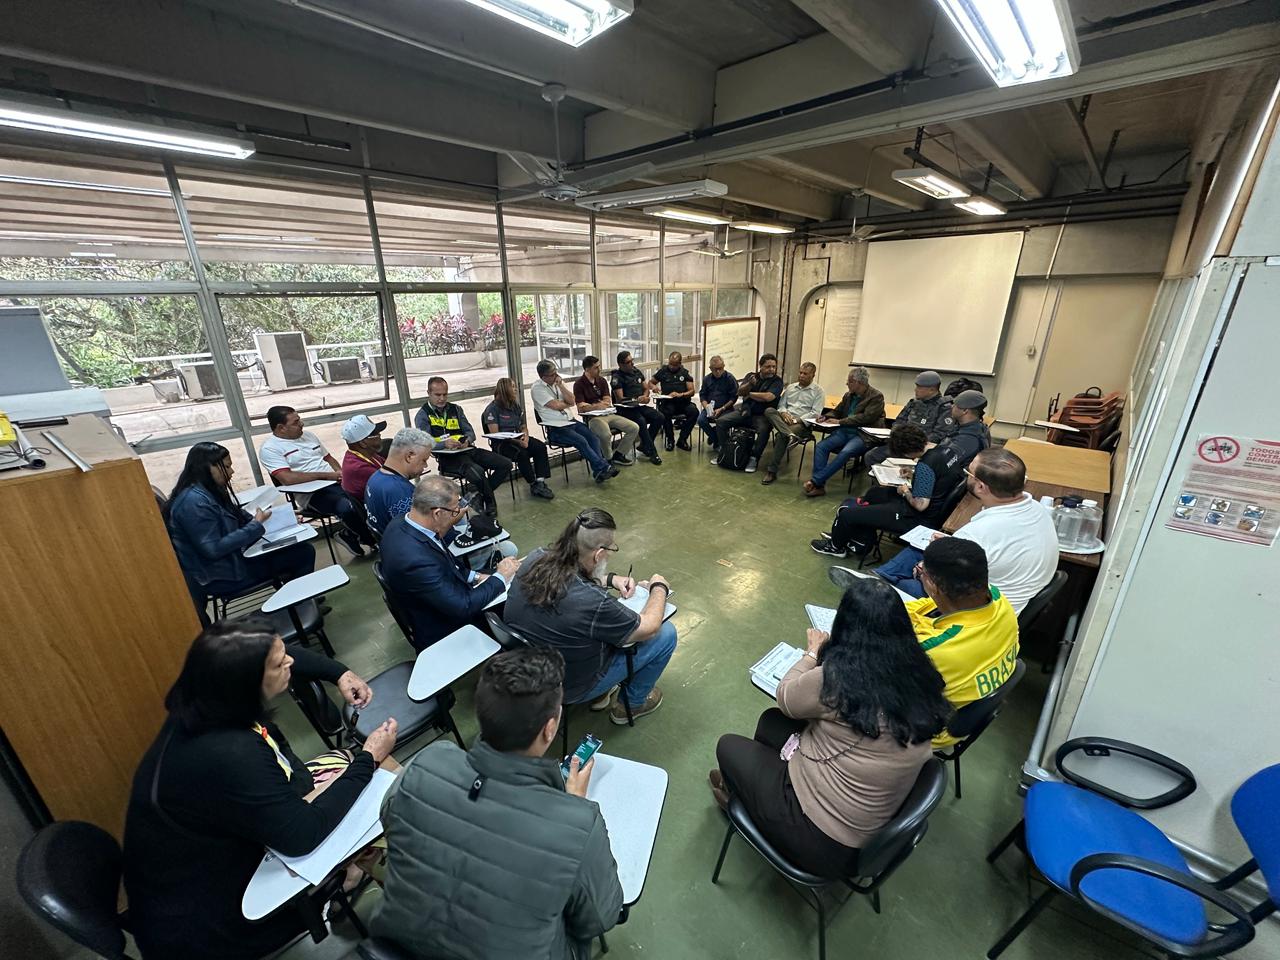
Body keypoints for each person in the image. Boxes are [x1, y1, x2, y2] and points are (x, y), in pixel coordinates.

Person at [123, 618, 398, 960]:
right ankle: (363, 884)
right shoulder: (230, 753)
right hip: (217, 914)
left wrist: (338, 673)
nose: (291, 663)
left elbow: (279, 655)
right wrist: (369, 758)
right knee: (374, 786)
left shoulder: (207, 696)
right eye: (279, 663)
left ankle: (356, 873)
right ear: (248, 681)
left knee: (351, 766)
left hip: (225, 843)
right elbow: (302, 835)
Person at [372, 647, 623, 958]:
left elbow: (391, 820)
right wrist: (571, 806)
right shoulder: (578, 825)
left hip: (402, 945)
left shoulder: (427, 761)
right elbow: (601, 917)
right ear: (549, 728)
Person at [711, 579, 951, 875]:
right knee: (771, 723)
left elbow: (787, 696)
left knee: (728, 745)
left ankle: (749, 802)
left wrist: (812, 653)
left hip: (820, 840)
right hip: (868, 825)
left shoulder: (840, 679)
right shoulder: (919, 671)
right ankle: (753, 792)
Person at [504, 508, 676, 725]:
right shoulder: (593, 602)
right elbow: (649, 626)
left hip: (528, 670)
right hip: (570, 686)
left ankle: (602, 694)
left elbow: (565, 580)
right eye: (611, 549)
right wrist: (658, 587)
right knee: (666, 634)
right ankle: (629, 705)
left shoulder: (536, 557)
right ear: (598, 554)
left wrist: (609, 579)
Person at [873, 448, 1059, 612]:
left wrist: (923, 571)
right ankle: (880, 577)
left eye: (968, 472)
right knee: (916, 548)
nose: (966, 475)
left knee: (893, 588)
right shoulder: (1038, 509)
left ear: (980, 486)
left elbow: (944, 585)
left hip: (977, 610)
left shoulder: (977, 533)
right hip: (1007, 592)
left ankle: (877, 586)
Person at [811, 415, 987, 559]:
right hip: (937, 504)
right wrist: (913, 473)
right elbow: (941, 475)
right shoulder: (944, 450)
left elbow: (920, 504)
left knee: (848, 514)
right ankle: (852, 534)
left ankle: (836, 547)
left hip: (918, 517)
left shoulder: (926, 466)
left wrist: (905, 492)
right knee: (874, 493)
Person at [378, 476, 522, 651]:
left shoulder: (404, 522)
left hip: (442, 596)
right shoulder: (414, 560)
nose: (457, 515)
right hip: (446, 626)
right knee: (521, 606)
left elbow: (446, 562)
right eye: (455, 511)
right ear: (437, 513)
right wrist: (501, 576)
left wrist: (477, 576)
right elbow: (464, 607)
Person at [165, 442, 315, 608]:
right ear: (209, 467)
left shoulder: (207, 490)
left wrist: (282, 516)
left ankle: (300, 600)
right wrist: (255, 525)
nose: (231, 472)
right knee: (303, 553)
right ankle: (301, 606)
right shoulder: (194, 503)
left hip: (231, 561)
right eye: (226, 467)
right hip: (223, 575)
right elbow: (213, 549)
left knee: (294, 548)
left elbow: (237, 514)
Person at [903, 537, 1020, 746]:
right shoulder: (998, 600)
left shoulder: (931, 650)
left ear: (931, 584)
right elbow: (927, 605)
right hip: (961, 711)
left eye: (921, 572)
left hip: (924, 734)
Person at [260, 405, 376, 556]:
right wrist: (326, 476)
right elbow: (287, 478)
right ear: (281, 428)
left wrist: (341, 473)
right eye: (295, 422)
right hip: (312, 494)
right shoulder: (270, 449)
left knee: (369, 495)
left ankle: (351, 534)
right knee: (347, 507)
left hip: (335, 482)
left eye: (299, 419)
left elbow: (329, 459)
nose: (301, 424)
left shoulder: (308, 435)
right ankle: (371, 540)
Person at [414, 377, 512, 518]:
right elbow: (425, 442)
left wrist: (467, 440)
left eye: (445, 394)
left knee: (506, 464)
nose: (442, 398)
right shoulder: (422, 415)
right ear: (428, 393)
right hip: (448, 457)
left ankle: (477, 496)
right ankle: (490, 502)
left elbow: (470, 432)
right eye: (437, 395)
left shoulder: (456, 409)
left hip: (467, 449)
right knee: (477, 472)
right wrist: (444, 444)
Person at [531, 359, 617, 484]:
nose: (556, 376)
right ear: (542, 376)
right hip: (555, 427)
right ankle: (603, 467)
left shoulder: (558, 382)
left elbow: (572, 401)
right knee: (581, 440)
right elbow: (556, 406)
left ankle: (599, 471)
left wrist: (560, 386)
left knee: (593, 437)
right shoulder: (537, 389)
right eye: (552, 374)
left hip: (570, 421)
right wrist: (565, 403)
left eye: (556, 372)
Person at [803, 367, 886, 497]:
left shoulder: (876, 396)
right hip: (844, 432)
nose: (847, 383)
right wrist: (826, 416)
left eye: (850, 381)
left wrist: (841, 422)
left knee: (846, 452)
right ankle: (819, 486)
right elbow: (838, 410)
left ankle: (816, 481)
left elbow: (866, 418)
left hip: (862, 434)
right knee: (821, 446)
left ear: (859, 383)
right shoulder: (848, 395)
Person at [481, 377, 556, 500]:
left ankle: (540, 482)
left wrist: (525, 437)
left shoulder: (514, 405)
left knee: (540, 447)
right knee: (522, 453)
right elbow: (496, 435)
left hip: (518, 438)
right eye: (513, 387)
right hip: (502, 444)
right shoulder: (492, 409)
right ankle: (533, 484)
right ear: (505, 390)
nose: (516, 390)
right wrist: (518, 442)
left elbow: (523, 425)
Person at [865, 370, 955, 469]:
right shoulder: (913, 403)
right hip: (901, 445)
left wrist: (914, 445)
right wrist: (897, 436)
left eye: (919, 387)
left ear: (932, 390)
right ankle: (882, 482)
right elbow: (899, 421)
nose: (915, 390)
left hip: (920, 450)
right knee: (871, 456)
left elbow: (939, 434)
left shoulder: (944, 407)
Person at [713, 353, 784, 472]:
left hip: (762, 415)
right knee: (720, 422)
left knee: (764, 430)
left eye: (774, 366)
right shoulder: (751, 376)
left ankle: (754, 458)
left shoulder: (777, 381)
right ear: (760, 366)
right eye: (768, 366)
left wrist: (749, 394)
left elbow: (768, 397)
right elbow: (739, 391)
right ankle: (726, 451)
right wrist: (750, 384)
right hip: (745, 411)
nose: (771, 369)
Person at [760, 361, 825, 485]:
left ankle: (771, 471)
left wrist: (796, 420)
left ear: (813, 375)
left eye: (805, 374)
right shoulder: (790, 387)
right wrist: (784, 413)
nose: (801, 376)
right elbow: (781, 405)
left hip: (801, 424)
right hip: (784, 420)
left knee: (781, 436)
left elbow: (815, 413)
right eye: (800, 373)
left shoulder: (818, 391)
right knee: (769, 410)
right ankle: (789, 435)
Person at [364, 427, 435, 537]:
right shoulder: (400, 491)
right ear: (409, 456)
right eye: (424, 460)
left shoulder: (375, 477)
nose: (425, 466)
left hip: (389, 544)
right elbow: (421, 533)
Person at [573, 355, 643, 466]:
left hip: (608, 413)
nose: (599, 369)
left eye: (599, 366)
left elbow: (607, 400)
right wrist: (596, 406)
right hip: (593, 418)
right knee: (606, 435)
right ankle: (608, 459)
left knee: (634, 427)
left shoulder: (601, 381)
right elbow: (581, 407)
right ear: (587, 369)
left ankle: (619, 455)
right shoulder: (579, 384)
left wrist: (595, 405)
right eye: (596, 367)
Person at [610, 350, 665, 464]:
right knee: (641, 421)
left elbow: (645, 388)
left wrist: (645, 397)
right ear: (621, 364)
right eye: (628, 362)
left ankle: (645, 445)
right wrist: (636, 399)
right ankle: (652, 452)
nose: (632, 364)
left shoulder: (636, 372)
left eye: (632, 361)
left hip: (639, 406)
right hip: (625, 409)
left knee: (659, 416)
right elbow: (620, 398)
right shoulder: (617, 377)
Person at [649, 351, 698, 451]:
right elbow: (650, 382)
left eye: (674, 365)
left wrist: (681, 394)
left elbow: (692, 391)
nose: (671, 366)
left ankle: (682, 439)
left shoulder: (685, 373)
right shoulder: (663, 371)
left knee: (694, 412)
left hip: (683, 402)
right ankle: (670, 440)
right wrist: (654, 387)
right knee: (665, 413)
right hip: (668, 402)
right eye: (670, 364)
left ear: (680, 364)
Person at [339, 414, 387, 500]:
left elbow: (387, 466)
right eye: (376, 434)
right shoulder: (359, 468)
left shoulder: (367, 453)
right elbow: (392, 482)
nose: (380, 435)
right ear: (363, 443)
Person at [696, 354, 739, 448]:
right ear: (710, 368)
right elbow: (702, 395)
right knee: (700, 420)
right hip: (710, 407)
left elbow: (734, 397)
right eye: (715, 369)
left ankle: (716, 440)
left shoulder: (730, 378)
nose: (718, 371)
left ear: (723, 366)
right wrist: (706, 407)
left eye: (720, 368)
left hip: (725, 408)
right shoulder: (707, 379)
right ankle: (716, 438)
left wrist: (722, 408)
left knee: (721, 421)